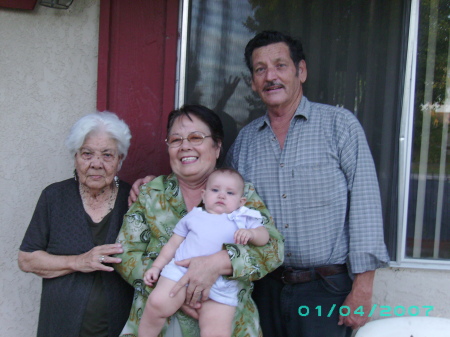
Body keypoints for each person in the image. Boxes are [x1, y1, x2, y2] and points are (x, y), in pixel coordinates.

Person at [224, 30, 390, 337]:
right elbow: (220, 201)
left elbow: (365, 206)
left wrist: (363, 288)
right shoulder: (246, 142)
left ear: (301, 71)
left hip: (325, 289)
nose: (270, 76)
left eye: (280, 65)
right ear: (253, 81)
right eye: (260, 69)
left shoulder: (339, 126)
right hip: (263, 288)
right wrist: (155, 185)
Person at [115, 104, 284, 337]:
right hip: (159, 323)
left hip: (228, 323)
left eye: (196, 137)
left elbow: (274, 249)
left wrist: (218, 262)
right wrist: (174, 287)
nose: (185, 146)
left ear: (217, 147)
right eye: (175, 140)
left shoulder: (241, 195)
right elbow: (125, 254)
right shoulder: (150, 194)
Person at [18, 112, 134, 337]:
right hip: (61, 325)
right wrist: (78, 262)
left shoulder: (133, 200)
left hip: (120, 327)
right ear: (75, 157)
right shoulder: (54, 197)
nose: (96, 164)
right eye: (87, 154)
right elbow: (27, 259)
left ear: (120, 160)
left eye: (107, 155)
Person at [139, 168, 270, 337]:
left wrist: (252, 234)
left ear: (241, 201)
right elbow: (172, 245)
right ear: (204, 195)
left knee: (217, 331)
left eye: (230, 193)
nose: (221, 195)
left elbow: (264, 237)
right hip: (180, 272)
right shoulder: (194, 216)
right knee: (157, 303)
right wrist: (156, 267)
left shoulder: (243, 218)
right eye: (215, 190)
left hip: (223, 283)